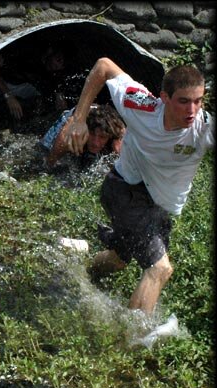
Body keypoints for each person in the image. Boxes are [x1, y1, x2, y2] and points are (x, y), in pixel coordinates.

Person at [63, 57, 213, 314]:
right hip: (124, 190)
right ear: (164, 98)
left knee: (119, 259)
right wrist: (79, 118)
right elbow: (104, 66)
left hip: (157, 206)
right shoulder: (140, 105)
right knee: (159, 268)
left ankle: (77, 276)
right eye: (184, 101)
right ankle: (133, 341)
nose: (192, 110)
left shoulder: (204, 128)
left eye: (198, 101)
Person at [39, 103, 126, 168]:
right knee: (44, 150)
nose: (95, 143)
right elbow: (49, 163)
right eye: (92, 134)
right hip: (77, 118)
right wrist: (49, 163)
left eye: (102, 137)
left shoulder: (118, 136)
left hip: (107, 122)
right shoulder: (68, 135)